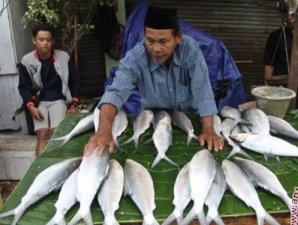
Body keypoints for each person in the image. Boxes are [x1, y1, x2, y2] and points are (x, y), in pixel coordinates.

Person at [84, 6, 224, 156]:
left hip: (190, 118)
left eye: (163, 41)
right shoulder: (136, 57)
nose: (156, 48)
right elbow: (115, 93)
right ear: (144, 35)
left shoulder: (189, 50)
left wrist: (209, 128)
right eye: (150, 40)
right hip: (154, 120)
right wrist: (103, 130)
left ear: (178, 37)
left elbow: (202, 89)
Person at [18, 23, 80, 156]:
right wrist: (30, 106)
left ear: (53, 41)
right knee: (42, 134)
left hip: (58, 100)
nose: (45, 43)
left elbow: (75, 80)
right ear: (34, 40)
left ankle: (56, 166)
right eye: (41, 39)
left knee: (56, 133)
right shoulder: (26, 61)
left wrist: (73, 104)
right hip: (39, 102)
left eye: (48, 40)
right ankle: (39, 169)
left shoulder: (63, 57)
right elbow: (24, 86)